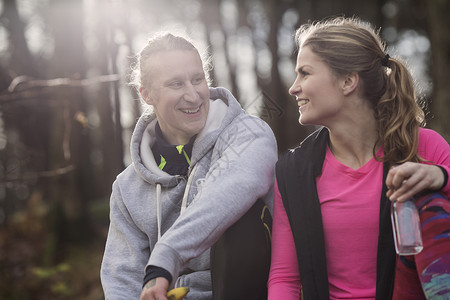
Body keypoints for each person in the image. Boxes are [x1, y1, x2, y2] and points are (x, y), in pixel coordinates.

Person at [268, 16, 450, 300]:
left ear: (348, 81)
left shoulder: (424, 147)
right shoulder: (293, 171)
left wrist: (441, 177)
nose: (294, 87)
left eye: (305, 73)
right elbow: (284, 278)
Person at [100, 32, 278, 300]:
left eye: (198, 79)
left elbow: (227, 193)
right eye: (176, 84)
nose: (193, 96)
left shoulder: (249, 135)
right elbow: (122, 279)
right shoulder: (127, 188)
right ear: (146, 94)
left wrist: (165, 259)